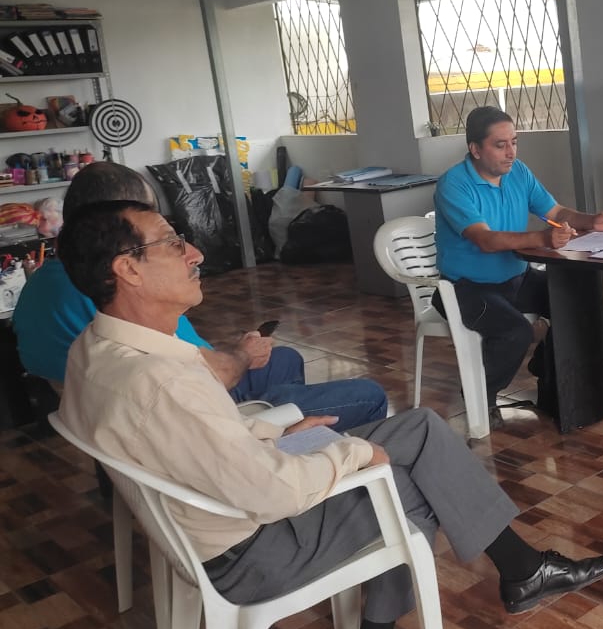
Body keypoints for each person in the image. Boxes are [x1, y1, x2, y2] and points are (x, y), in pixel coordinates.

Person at [57, 199, 603, 629]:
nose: (195, 253)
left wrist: (277, 429)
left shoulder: (96, 349)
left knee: (420, 428)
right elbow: (271, 493)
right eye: (173, 242)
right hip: (250, 552)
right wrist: (351, 453)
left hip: (213, 518)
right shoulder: (162, 379)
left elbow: (194, 442)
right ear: (127, 269)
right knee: (411, 484)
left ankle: (519, 572)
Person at [14, 162, 386, 431]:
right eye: (168, 241)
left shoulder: (57, 283)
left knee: (283, 358)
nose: (195, 255)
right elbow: (210, 376)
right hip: (201, 412)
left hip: (90, 405)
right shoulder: (123, 301)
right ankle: (286, 427)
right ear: (124, 258)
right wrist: (242, 355)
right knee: (368, 395)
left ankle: (289, 421)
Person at [432, 106, 603, 419]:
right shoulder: (453, 184)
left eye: (514, 142)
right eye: (500, 145)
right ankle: (481, 399)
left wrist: (593, 221)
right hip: (464, 289)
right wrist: (542, 238)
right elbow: (485, 239)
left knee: (583, 309)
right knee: (515, 333)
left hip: (516, 278)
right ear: (475, 149)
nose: (511, 153)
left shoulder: (518, 173)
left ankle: (573, 381)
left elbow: (556, 213)